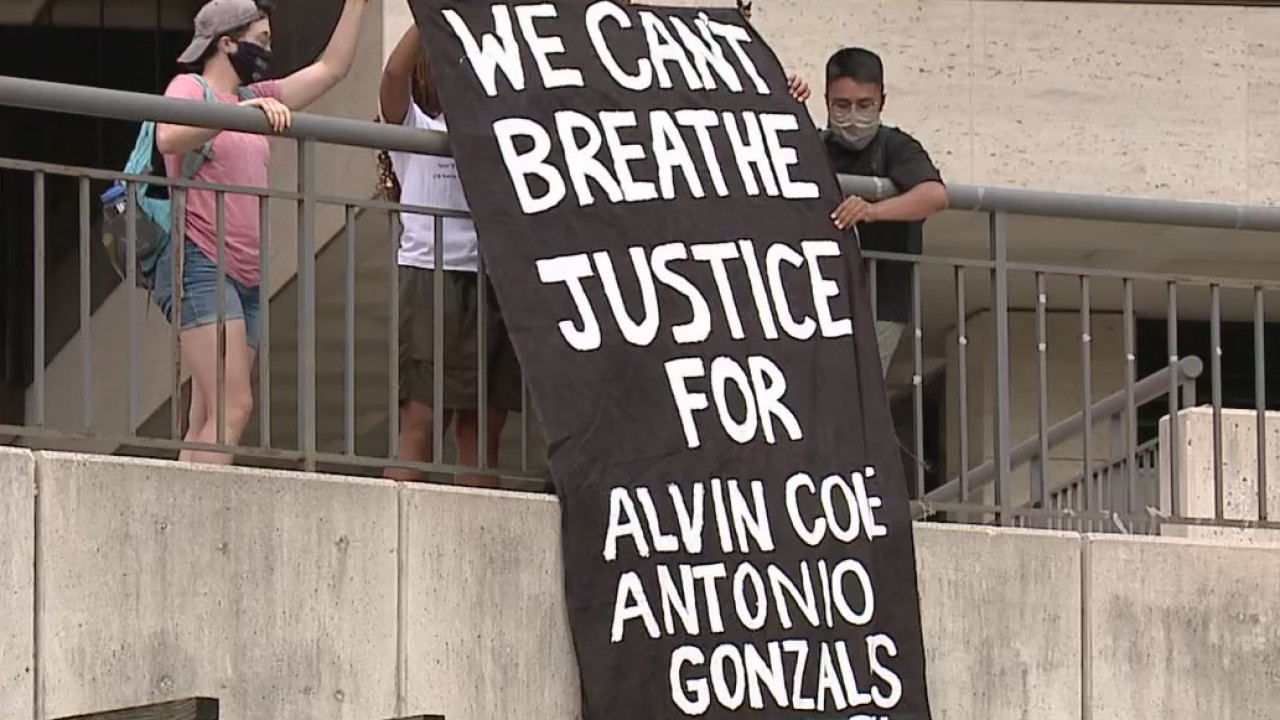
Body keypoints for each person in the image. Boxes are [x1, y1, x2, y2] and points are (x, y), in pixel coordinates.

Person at [154, 0, 370, 464]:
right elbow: (168, 136)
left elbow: (331, 69)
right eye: (261, 41)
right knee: (236, 405)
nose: (267, 51)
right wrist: (242, 116)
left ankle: (186, 508)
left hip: (246, 274)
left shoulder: (255, 98)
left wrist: (358, 5)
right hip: (201, 261)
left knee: (207, 414)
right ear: (227, 43)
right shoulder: (191, 88)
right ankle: (205, 516)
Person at [377, 24, 523, 487]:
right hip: (433, 276)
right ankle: (391, 544)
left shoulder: (496, 126)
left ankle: (477, 545)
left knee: (481, 432)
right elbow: (393, 73)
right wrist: (431, 15)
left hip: (494, 275)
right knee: (422, 422)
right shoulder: (415, 123)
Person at [822, 48, 948, 376]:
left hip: (880, 303)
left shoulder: (895, 147)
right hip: (821, 301)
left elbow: (933, 194)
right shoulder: (818, 146)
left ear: (882, 101)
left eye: (864, 105)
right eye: (842, 105)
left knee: (855, 391)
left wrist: (872, 211)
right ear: (826, 102)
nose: (853, 116)